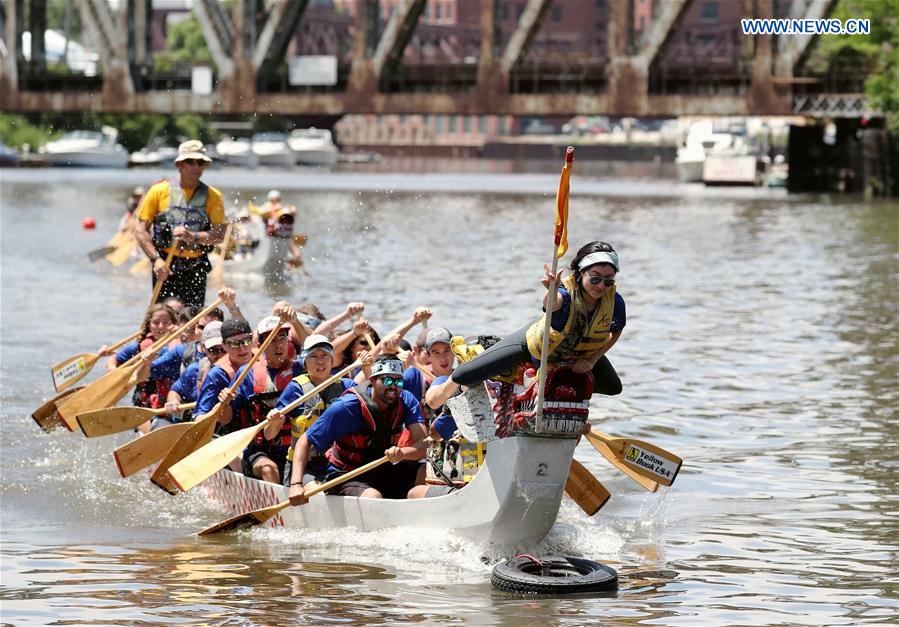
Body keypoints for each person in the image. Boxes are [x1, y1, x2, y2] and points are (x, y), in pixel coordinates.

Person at [452, 241, 626, 395]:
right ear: (581, 273)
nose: (602, 286)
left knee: (613, 387)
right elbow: (553, 304)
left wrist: (591, 360)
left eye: (608, 280)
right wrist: (552, 290)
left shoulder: (615, 301)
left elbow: (615, 331)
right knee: (463, 375)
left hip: (578, 350)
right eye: (595, 278)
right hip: (539, 344)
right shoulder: (564, 295)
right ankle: (509, 367)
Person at [288, 355, 428, 505]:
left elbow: (423, 443)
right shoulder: (347, 406)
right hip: (345, 474)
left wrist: (402, 453)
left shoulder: (407, 400)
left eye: (398, 381)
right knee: (372, 497)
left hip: (381, 468)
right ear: (373, 380)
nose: (393, 387)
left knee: (425, 470)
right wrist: (295, 485)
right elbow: (305, 440)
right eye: (387, 380)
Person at [133, 140, 227, 313]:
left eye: (201, 163)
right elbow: (140, 230)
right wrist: (156, 260)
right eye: (192, 162)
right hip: (165, 266)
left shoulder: (214, 196)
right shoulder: (158, 191)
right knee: (162, 317)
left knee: (190, 321)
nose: (197, 167)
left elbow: (220, 235)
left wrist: (193, 236)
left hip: (196, 267)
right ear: (180, 164)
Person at [270, 334, 357, 488]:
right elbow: (268, 434)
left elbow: (372, 398)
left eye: (325, 355)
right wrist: (274, 422)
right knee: (315, 489)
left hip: (336, 462)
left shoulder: (346, 385)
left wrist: (367, 368)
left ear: (332, 360)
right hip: (303, 464)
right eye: (313, 356)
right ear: (304, 362)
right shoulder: (295, 389)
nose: (320, 361)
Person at [229, 315, 304, 484]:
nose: (279, 345)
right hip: (259, 450)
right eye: (272, 340)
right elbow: (226, 419)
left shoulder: (302, 370)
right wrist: (225, 401)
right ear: (261, 345)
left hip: (294, 448)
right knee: (270, 469)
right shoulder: (246, 373)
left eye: (283, 339)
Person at [159, 320, 226, 429]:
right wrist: (173, 401)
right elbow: (175, 391)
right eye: (213, 350)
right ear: (204, 348)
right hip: (198, 426)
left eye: (223, 350)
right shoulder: (194, 370)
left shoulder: (240, 370)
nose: (219, 355)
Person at [194, 318, 255, 436]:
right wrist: (222, 405)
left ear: (252, 341)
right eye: (234, 344)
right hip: (229, 435)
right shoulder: (217, 374)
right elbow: (198, 419)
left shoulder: (264, 361)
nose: (241, 348)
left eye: (246, 341)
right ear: (225, 346)